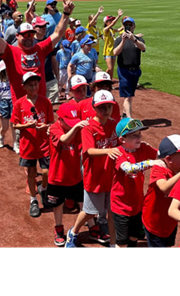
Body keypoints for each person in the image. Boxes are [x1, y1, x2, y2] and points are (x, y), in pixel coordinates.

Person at [0, 0, 73, 102]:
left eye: (31, 34)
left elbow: (58, 33)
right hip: (20, 108)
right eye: (25, 34)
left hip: (40, 106)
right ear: (17, 36)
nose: (28, 37)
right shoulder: (11, 52)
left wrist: (65, 13)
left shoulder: (40, 48)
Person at [67, 90, 120, 248]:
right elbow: (89, 150)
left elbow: (119, 143)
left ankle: (112, 243)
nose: (106, 110)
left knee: (112, 212)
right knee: (90, 211)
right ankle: (74, 232)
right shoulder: (88, 127)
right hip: (94, 177)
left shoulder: (113, 125)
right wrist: (108, 151)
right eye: (102, 107)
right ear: (94, 108)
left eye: (109, 106)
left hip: (110, 177)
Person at [46, 102, 88, 247]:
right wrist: (76, 127)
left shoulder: (75, 130)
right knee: (58, 205)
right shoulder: (54, 128)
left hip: (75, 175)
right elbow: (63, 139)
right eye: (69, 123)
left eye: (74, 123)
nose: (72, 125)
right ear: (60, 119)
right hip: (57, 177)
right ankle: (58, 229)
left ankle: (92, 226)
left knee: (84, 203)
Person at [109, 118, 157, 248]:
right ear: (122, 139)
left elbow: (160, 155)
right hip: (120, 205)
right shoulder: (118, 153)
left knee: (134, 236)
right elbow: (129, 168)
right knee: (122, 242)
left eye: (139, 134)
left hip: (137, 203)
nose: (139, 137)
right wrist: (150, 163)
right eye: (134, 135)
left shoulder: (144, 148)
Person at [12, 72, 54, 218]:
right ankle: (33, 200)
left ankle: (43, 189)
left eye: (36, 84)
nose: (34, 87)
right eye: (30, 85)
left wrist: (45, 127)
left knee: (46, 172)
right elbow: (15, 124)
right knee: (31, 174)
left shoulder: (46, 102)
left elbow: (51, 123)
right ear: (24, 87)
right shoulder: (19, 103)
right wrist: (26, 125)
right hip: (28, 145)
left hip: (43, 144)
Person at [143, 134, 180, 248]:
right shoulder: (159, 169)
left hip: (170, 222)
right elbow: (164, 188)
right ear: (169, 159)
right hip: (154, 222)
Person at [112, 17, 146, 118]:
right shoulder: (118, 40)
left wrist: (134, 39)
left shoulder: (138, 39)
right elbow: (115, 52)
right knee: (128, 97)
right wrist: (123, 41)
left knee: (130, 94)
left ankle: (124, 114)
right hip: (124, 71)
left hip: (135, 71)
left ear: (134, 26)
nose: (128, 27)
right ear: (123, 27)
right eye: (126, 25)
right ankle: (129, 119)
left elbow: (143, 48)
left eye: (130, 25)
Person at [0, 61, 19, 153]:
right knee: (5, 126)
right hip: (3, 103)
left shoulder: (14, 80)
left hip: (13, 102)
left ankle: (16, 143)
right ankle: (1, 135)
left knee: (14, 126)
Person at [102, 10, 125, 77]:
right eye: (110, 20)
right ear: (106, 22)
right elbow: (112, 24)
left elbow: (120, 29)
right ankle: (103, 77)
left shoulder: (112, 30)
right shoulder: (105, 30)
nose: (111, 21)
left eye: (112, 20)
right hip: (107, 51)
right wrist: (119, 16)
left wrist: (124, 23)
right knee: (110, 68)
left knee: (112, 70)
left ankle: (110, 83)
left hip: (113, 51)